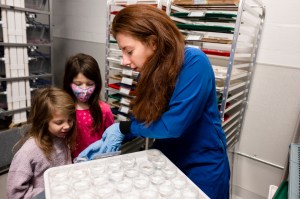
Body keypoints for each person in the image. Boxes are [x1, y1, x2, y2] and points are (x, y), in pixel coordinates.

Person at [79, 4, 230, 199]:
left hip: (201, 163)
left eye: (129, 51)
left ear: (153, 43)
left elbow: (172, 125)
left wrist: (125, 128)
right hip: (165, 158)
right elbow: (144, 120)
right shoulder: (148, 72)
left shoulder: (193, 63)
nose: (124, 61)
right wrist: (113, 137)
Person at [7, 87, 76, 199]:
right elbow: (15, 193)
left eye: (70, 120)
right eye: (59, 122)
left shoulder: (61, 138)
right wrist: (48, 192)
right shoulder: (28, 152)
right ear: (43, 121)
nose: (67, 126)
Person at [63, 53, 114, 158]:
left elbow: (111, 138)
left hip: (96, 163)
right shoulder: (63, 109)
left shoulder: (104, 110)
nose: (84, 89)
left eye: (90, 84)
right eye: (78, 84)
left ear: (97, 83)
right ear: (68, 82)